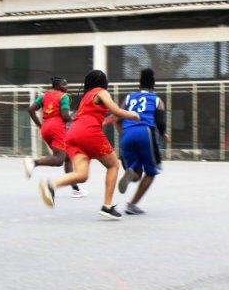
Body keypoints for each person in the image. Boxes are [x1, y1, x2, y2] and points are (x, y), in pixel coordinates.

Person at [38, 69, 139, 219]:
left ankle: (51, 185)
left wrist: (107, 120)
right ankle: (107, 206)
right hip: (89, 133)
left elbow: (92, 117)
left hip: (73, 134)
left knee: (81, 175)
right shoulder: (101, 92)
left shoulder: (86, 97)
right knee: (113, 165)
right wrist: (133, 115)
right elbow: (116, 110)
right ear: (103, 83)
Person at [114, 68, 169, 215]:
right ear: (153, 85)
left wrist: (124, 133)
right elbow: (160, 122)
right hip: (145, 132)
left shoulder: (129, 97)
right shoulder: (157, 100)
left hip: (127, 134)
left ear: (139, 84)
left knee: (137, 172)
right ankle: (131, 205)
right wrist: (163, 134)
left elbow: (117, 118)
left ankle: (130, 175)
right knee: (151, 172)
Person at [23, 76, 85, 198]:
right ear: (56, 86)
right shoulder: (64, 97)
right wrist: (75, 119)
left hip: (45, 128)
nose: (66, 87)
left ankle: (75, 189)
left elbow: (31, 109)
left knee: (67, 157)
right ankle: (34, 162)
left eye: (67, 85)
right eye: (64, 85)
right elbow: (65, 116)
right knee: (59, 160)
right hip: (57, 128)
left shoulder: (44, 95)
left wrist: (40, 125)